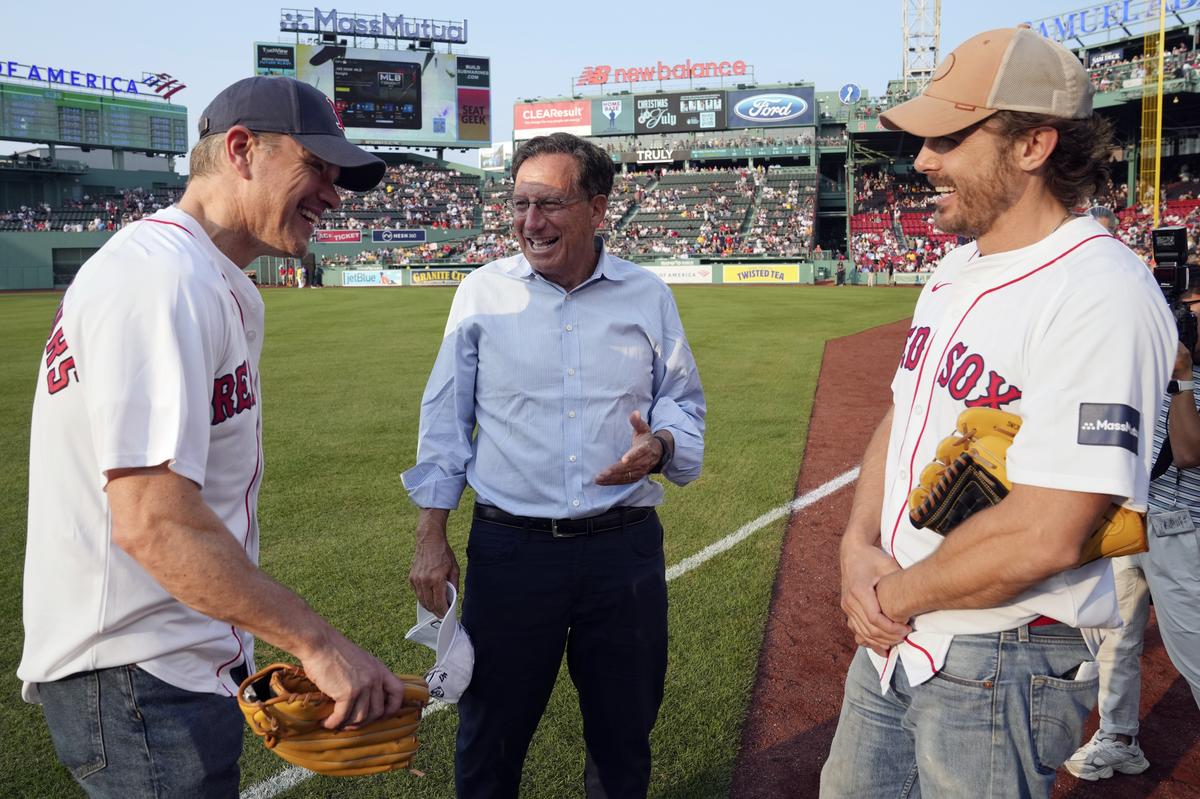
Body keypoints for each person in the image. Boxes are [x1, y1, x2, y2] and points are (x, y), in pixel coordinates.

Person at [19, 76, 409, 798]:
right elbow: (154, 522)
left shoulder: (205, 279)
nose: (333, 193)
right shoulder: (162, 280)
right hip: (138, 675)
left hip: (162, 666)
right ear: (241, 151)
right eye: (315, 167)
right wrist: (317, 643)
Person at [820, 26, 1176, 798]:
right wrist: (856, 545)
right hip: (898, 637)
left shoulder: (1099, 291)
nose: (921, 160)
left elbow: (1051, 528)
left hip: (999, 658)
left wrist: (886, 597)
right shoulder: (954, 268)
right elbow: (902, 408)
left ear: (1032, 145)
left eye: (948, 136)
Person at [402, 132, 706, 799]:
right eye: (519, 204)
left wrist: (660, 446)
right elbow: (444, 422)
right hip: (511, 555)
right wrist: (431, 533)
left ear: (598, 210)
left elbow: (682, 403)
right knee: (489, 742)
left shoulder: (646, 295)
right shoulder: (483, 294)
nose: (529, 223)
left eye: (549, 204)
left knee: (623, 740)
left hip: (621, 554)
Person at [1066, 319, 1200, 781]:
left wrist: (1181, 377)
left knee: (1195, 652)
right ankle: (1118, 737)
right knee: (1114, 641)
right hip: (1130, 524)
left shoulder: (1178, 375)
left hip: (1186, 533)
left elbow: (1188, 452)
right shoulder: (1144, 370)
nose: (1184, 325)